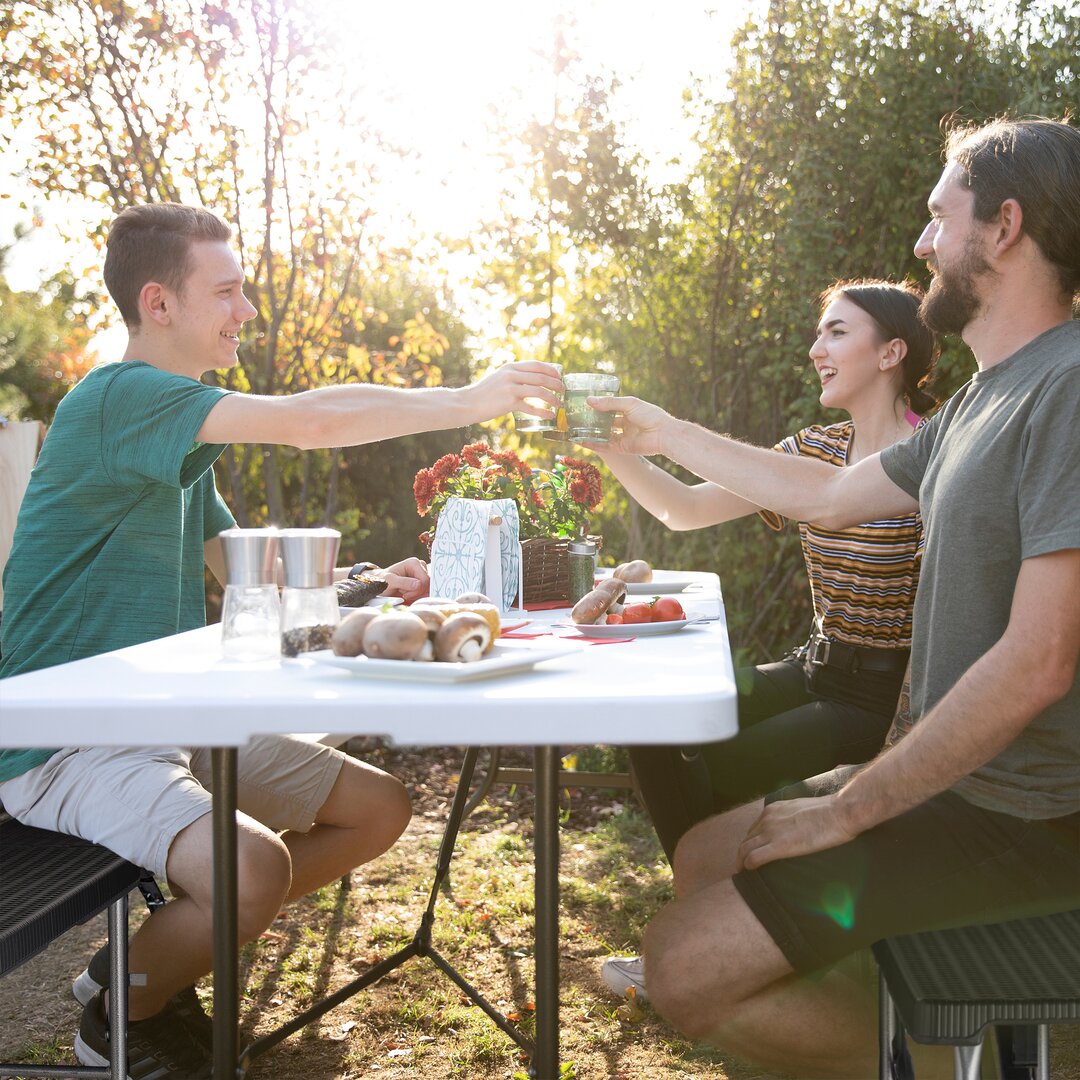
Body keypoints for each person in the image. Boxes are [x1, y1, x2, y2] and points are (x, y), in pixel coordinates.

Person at [0, 202, 563, 1077]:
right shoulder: (117, 399)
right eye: (225, 291)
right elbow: (312, 420)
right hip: (67, 734)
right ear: (159, 303)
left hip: (163, 715)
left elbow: (242, 568)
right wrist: (466, 401)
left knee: (379, 810)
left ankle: (141, 960)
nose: (246, 311)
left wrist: (370, 589)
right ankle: (128, 1008)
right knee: (252, 874)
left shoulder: (175, 434)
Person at [591, 116, 1080, 1078]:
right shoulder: (984, 398)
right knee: (700, 861)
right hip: (946, 782)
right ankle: (871, 1007)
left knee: (677, 971)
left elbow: (1040, 661)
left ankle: (938, 1068)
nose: (922, 244)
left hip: (1026, 818)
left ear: (1005, 227)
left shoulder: (1065, 390)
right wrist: (659, 428)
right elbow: (818, 492)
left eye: (940, 220)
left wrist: (849, 808)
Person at [599, 279, 937, 1002]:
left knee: (726, 768)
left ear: (893, 352)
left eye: (837, 333)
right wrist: (613, 449)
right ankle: (710, 930)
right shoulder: (817, 446)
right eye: (820, 333)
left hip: (882, 695)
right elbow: (685, 509)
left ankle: (719, 948)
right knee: (654, 723)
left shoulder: (931, 458)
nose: (817, 349)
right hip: (817, 666)